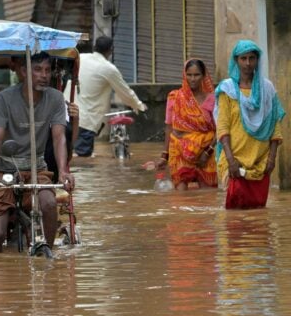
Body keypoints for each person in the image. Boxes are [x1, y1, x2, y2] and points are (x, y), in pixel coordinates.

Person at [0, 52, 75, 253]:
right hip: (4, 170)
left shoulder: (55, 98)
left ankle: (47, 253)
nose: (44, 75)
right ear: (24, 71)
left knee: (49, 204)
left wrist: (63, 171)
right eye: (38, 70)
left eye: (48, 70)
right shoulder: (3, 99)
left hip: (37, 168)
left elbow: (59, 137)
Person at [214, 40, 284, 209]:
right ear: (236, 60)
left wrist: (272, 158)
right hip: (234, 159)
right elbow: (222, 126)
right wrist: (230, 159)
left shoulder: (267, 89)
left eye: (252, 58)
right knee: (233, 213)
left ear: (257, 60)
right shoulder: (227, 89)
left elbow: (275, 124)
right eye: (243, 58)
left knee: (258, 212)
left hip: (260, 160)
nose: (247, 63)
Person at [72, 36, 147, 157]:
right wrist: (140, 106)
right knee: (83, 162)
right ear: (111, 50)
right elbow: (125, 92)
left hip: (66, 114)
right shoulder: (108, 68)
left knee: (65, 157)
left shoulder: (80, 58)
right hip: (85, 121)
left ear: (94, 47)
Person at [155, 59, 217, 190]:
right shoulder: (175, 97)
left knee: (208, 196)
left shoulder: (213, 99)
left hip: (205, 152)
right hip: (179, 152)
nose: (193, 79)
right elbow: (169, 127)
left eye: (197, 75)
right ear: (184, 75)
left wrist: (207, 152)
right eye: (189, 75)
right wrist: (164, 156)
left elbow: (220, 129)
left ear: (204, 76)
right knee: (181, 198)